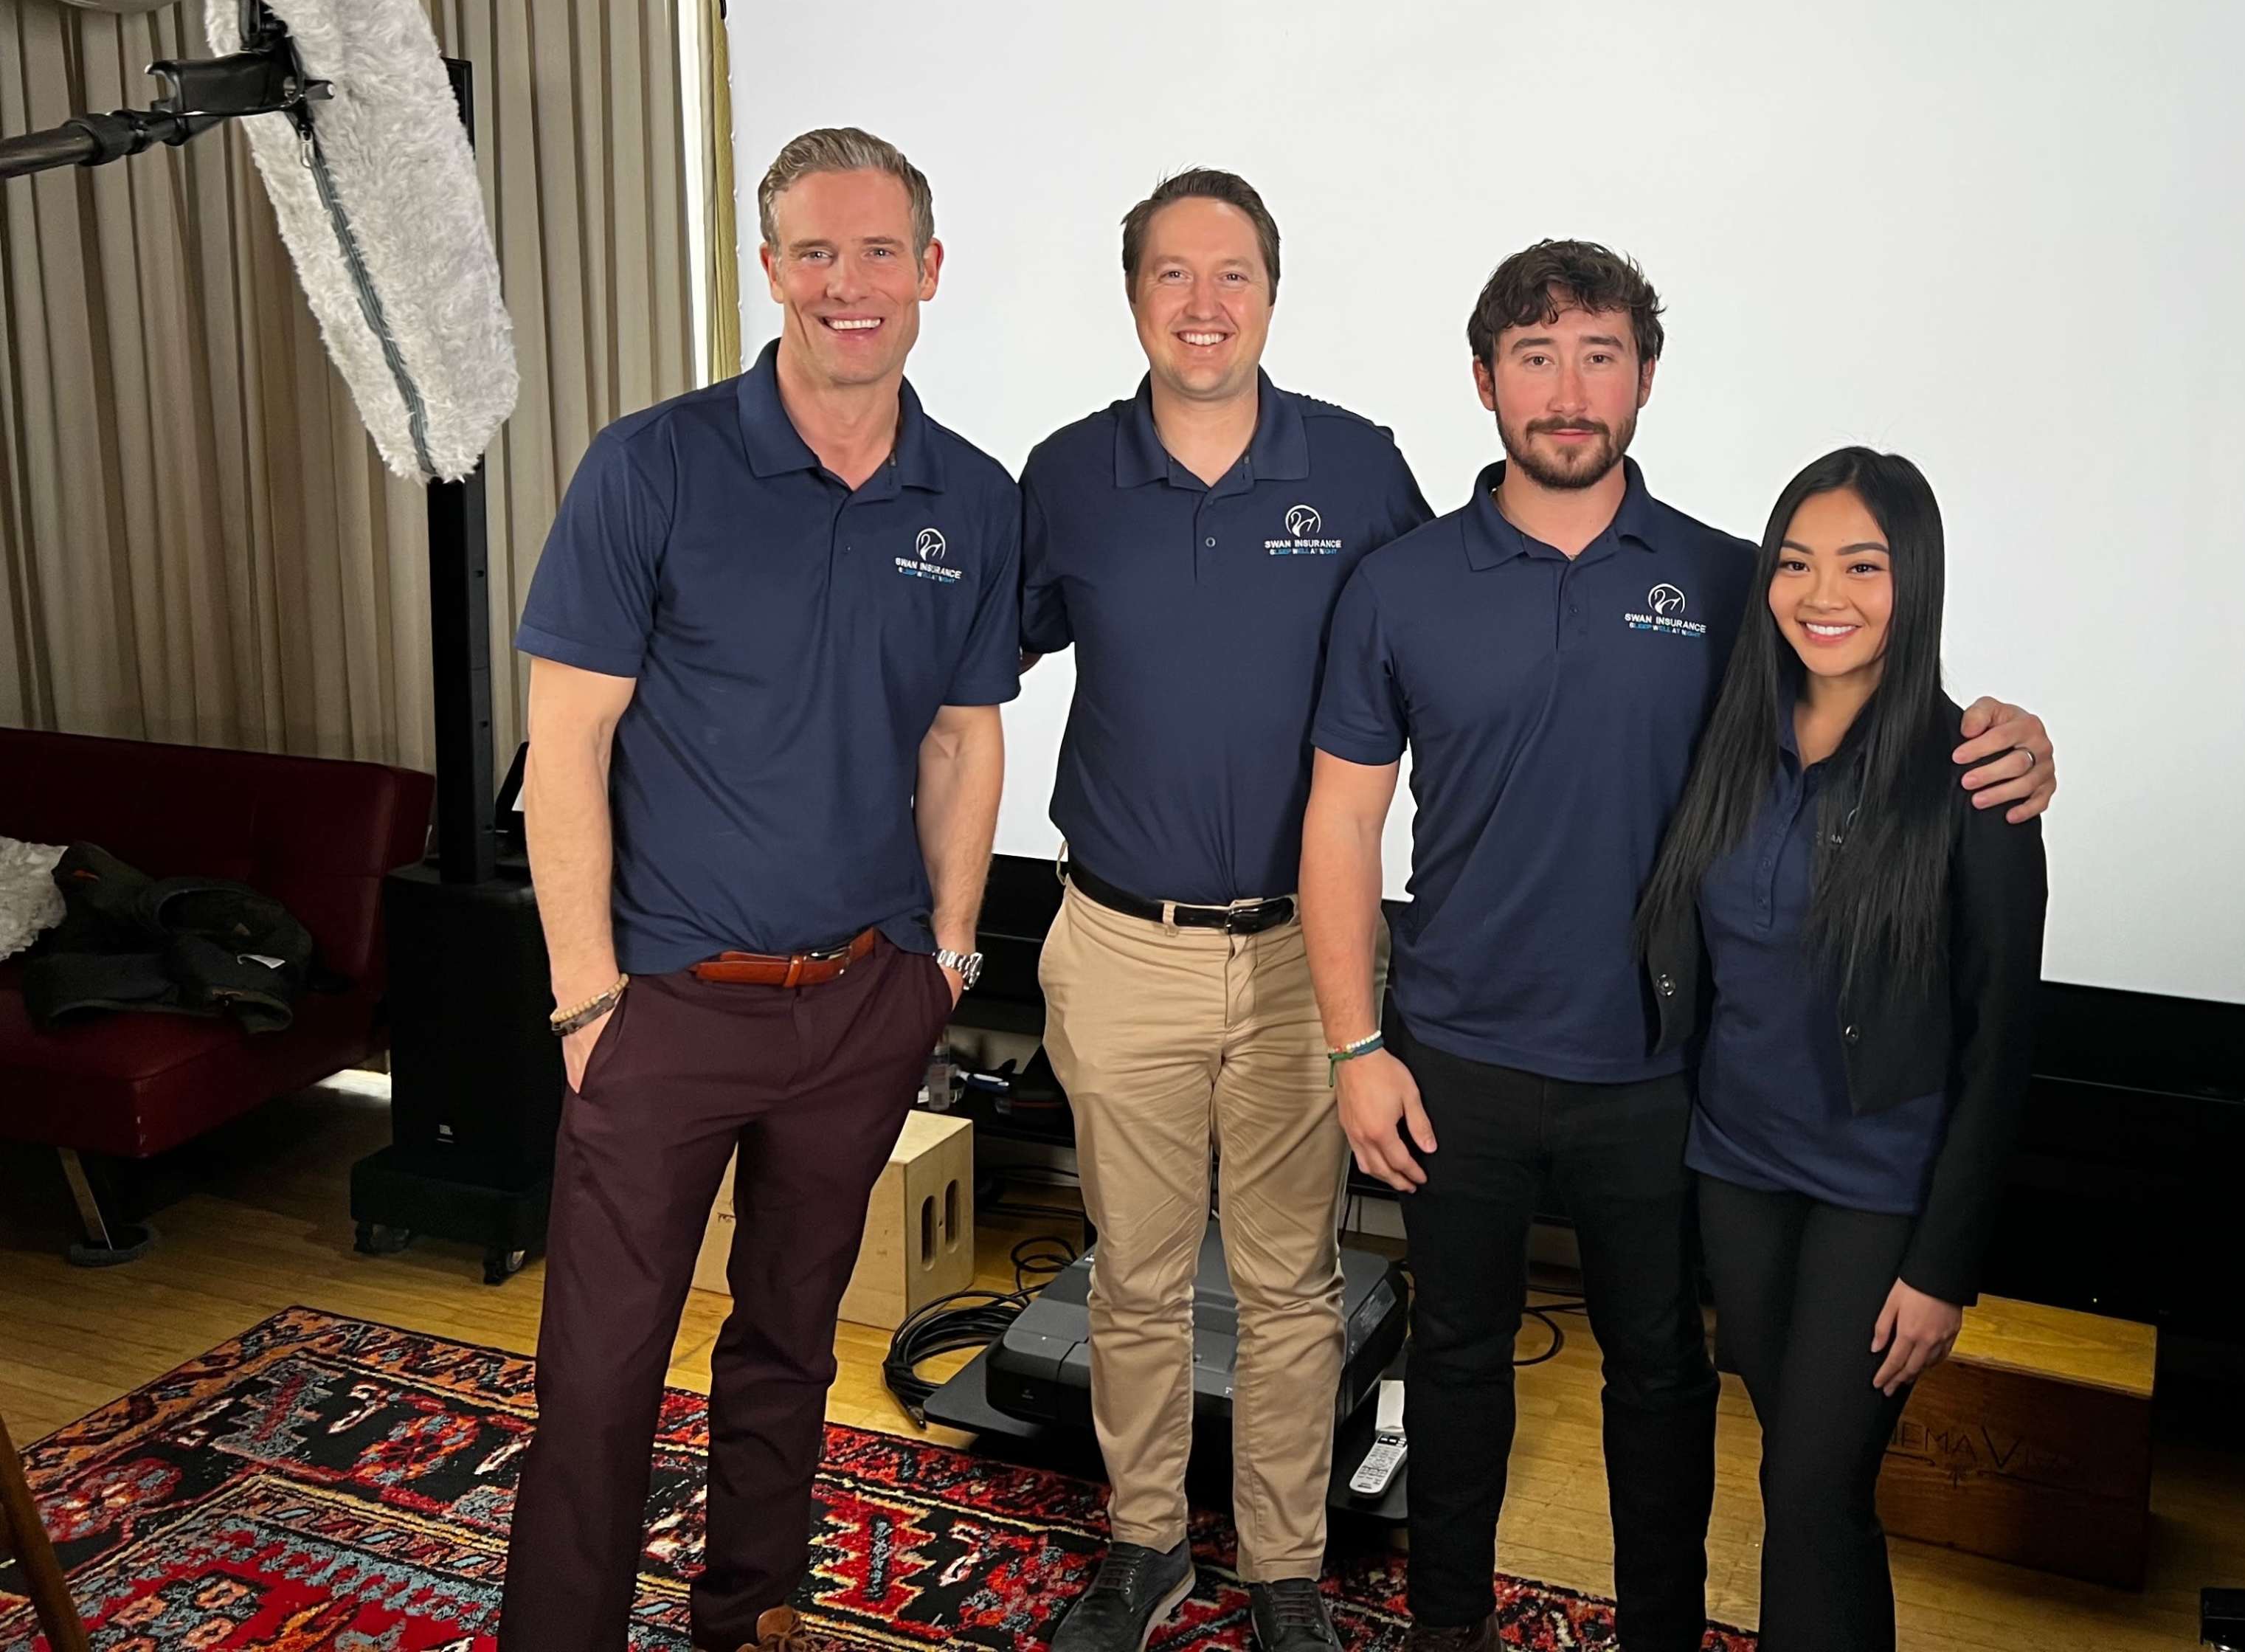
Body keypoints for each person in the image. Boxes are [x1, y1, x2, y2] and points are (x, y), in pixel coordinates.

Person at [1297, 241, 2056, 1652]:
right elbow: (1341, 828)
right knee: (1457, 1366)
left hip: (1664, 1080)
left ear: (1645, 378)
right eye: (1535, 356)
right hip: (1449, 1059)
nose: (1568, 388)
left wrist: (2004, 739)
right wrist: (1358, 1047)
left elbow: (1867, 695)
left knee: (1660, 1380)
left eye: (1599, 354)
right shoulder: (1399, 586)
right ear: (1484, 382)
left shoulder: (1729, 584)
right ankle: (1444, 1631)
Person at [499, 127, 1017, 1652]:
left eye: (876, 253)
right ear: (771, 267)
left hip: (859, 1004)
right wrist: (587, 997)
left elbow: (963, 740)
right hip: (661, 1004)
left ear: (927, 271)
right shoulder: (652, 465)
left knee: (790, 1342)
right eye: (813, 251)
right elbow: (568, 745)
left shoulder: (970, 499)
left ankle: (754, 1610)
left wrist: (948, 960)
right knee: (598, 1373)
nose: (845, 285)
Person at [1020, 170, 1431, 1652]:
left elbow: (1460, 645)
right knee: (1129, 1277)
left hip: (1301, 959)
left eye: (1235, 273)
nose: (1205, 303)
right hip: (1121, 944)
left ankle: (1283, 1570)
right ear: (1134, 296)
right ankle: (1144, 1550)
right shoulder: (1066, 477)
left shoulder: (1363, 471)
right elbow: (949, 674)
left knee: (1290, 1285)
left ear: (1273, 290)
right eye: (1174, 275)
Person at [1636, 447, 2047, 1651]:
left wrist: (1945, 1268)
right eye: (1798, 562)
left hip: (1880, 1193)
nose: (1827, 593)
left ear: (1912, 582)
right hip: (1738, 1173)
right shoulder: (1729, 738)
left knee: (1810, 1488)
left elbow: (2001, 1039)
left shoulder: (1972, 772)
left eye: (1863, 565)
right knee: (1810, 1480)